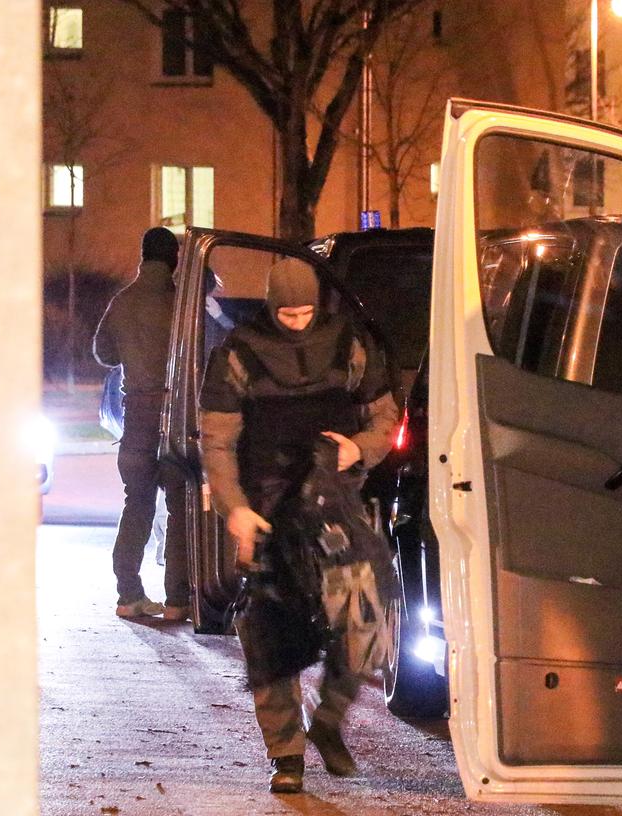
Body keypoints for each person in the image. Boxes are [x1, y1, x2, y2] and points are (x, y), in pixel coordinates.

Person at [199, 258, 398, 794]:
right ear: (270, 306)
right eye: (286, 312)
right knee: (268, 637)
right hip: (264, 509)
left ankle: (328, 720)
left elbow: (385, 418)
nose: (296, 320)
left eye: (305, 311)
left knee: (364, 622)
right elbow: (216, 441)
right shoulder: (238, 353)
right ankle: (286, 754)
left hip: (335, 509)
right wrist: (234, 506)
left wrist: (361, 447)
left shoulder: (348, 345)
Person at [92, 227, 191, 620]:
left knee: (137, 504)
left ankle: (128, 594)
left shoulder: (123, 300)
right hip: (173, 417)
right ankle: (178, 600)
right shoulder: (180, 306)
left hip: (136, 417)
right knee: (179, 504)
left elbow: (103, 352)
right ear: (174, 260)